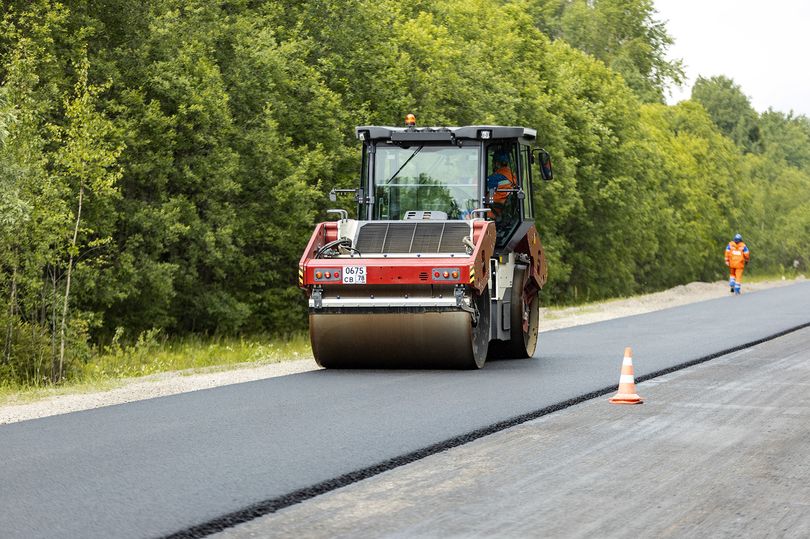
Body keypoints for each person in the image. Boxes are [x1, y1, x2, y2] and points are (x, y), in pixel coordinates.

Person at [486, 151, 517, 218]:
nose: (492, 164)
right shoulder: (512, 176)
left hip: (494, 212)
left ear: (497, 163)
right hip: (505, 211)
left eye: (493, 162)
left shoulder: (494, 178)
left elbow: (489, 197)